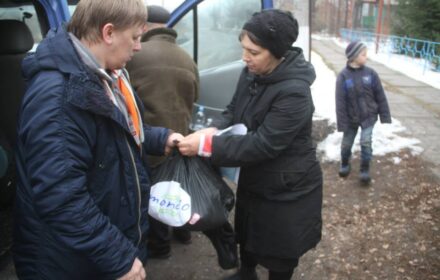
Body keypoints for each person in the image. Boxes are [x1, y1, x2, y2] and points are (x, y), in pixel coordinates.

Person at [13, 0, 183, 279]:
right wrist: (117, 256)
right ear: (108, 33)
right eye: (135, 38)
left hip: (95, 249)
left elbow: (120, 131)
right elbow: (62, 198)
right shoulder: (59, 97)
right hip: (68, 263)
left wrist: (164, 138)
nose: (139, 47)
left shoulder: (106, 76)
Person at [178, 9, 322, 280]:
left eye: (254, 52)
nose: (245, 58)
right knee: (249, 230)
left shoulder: (295, 92)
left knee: (280, 247)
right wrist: (215, 128)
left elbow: (263, 145)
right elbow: (233, 110)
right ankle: (246, 274)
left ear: (277, 52)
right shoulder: (251, 73)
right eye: (244, 49)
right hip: (255, 176)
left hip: (287, 184)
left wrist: (207, 145)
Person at [126, 5, 199, 259]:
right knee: (179, 186)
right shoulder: (186, 57)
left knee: (155, 194)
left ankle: (160, 246)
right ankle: (185, 232)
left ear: (143, 26)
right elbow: (196, 96)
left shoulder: (134, 55)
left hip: (151, 140)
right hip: (182, 138)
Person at [335, 41, 391, 184]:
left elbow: (380, 95)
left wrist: (384, 115)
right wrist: (342, 123)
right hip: (351, 118)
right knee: (346, 144)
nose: (366, 57)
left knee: (366, 142)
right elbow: (340, 102)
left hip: (368, 116)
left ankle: (364, 169)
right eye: (363, 54)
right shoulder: (343, 76)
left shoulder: (371, 74)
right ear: (353, 56)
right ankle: (345, 163)